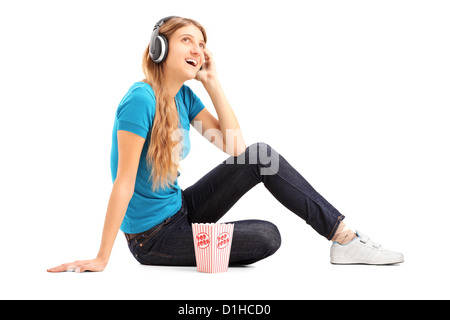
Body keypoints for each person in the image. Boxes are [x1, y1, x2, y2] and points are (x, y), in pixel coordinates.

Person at [47, 16, 403, 273]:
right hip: (151, 238)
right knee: (267, 236)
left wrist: (213, 82)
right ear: (160, 46)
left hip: (181, 210)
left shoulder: (184, 98)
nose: (198, 50)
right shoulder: (140, 100)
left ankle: (344, 237)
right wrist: (102, 257)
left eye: (202, 44)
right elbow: (123, 182)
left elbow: (237, 149)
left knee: (260, 155)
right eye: (187, 40)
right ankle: (183, 243)